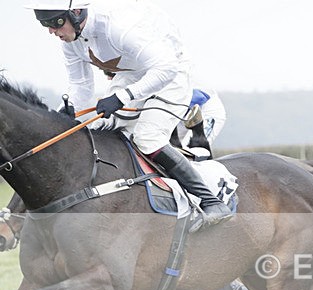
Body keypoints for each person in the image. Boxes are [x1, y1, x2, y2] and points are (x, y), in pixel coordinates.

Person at [28, 0, 232, 233]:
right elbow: (81, 86)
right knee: (98, 125)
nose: (51, 31)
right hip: (133, 77)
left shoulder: (118, 27)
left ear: (75, 12)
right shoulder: (71, 42)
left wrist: (122, 97)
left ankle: (211, 202)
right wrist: (68, 112)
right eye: (44, 24)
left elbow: (166, 68)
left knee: (148, 138)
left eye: (55, 23)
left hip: (171, 76)